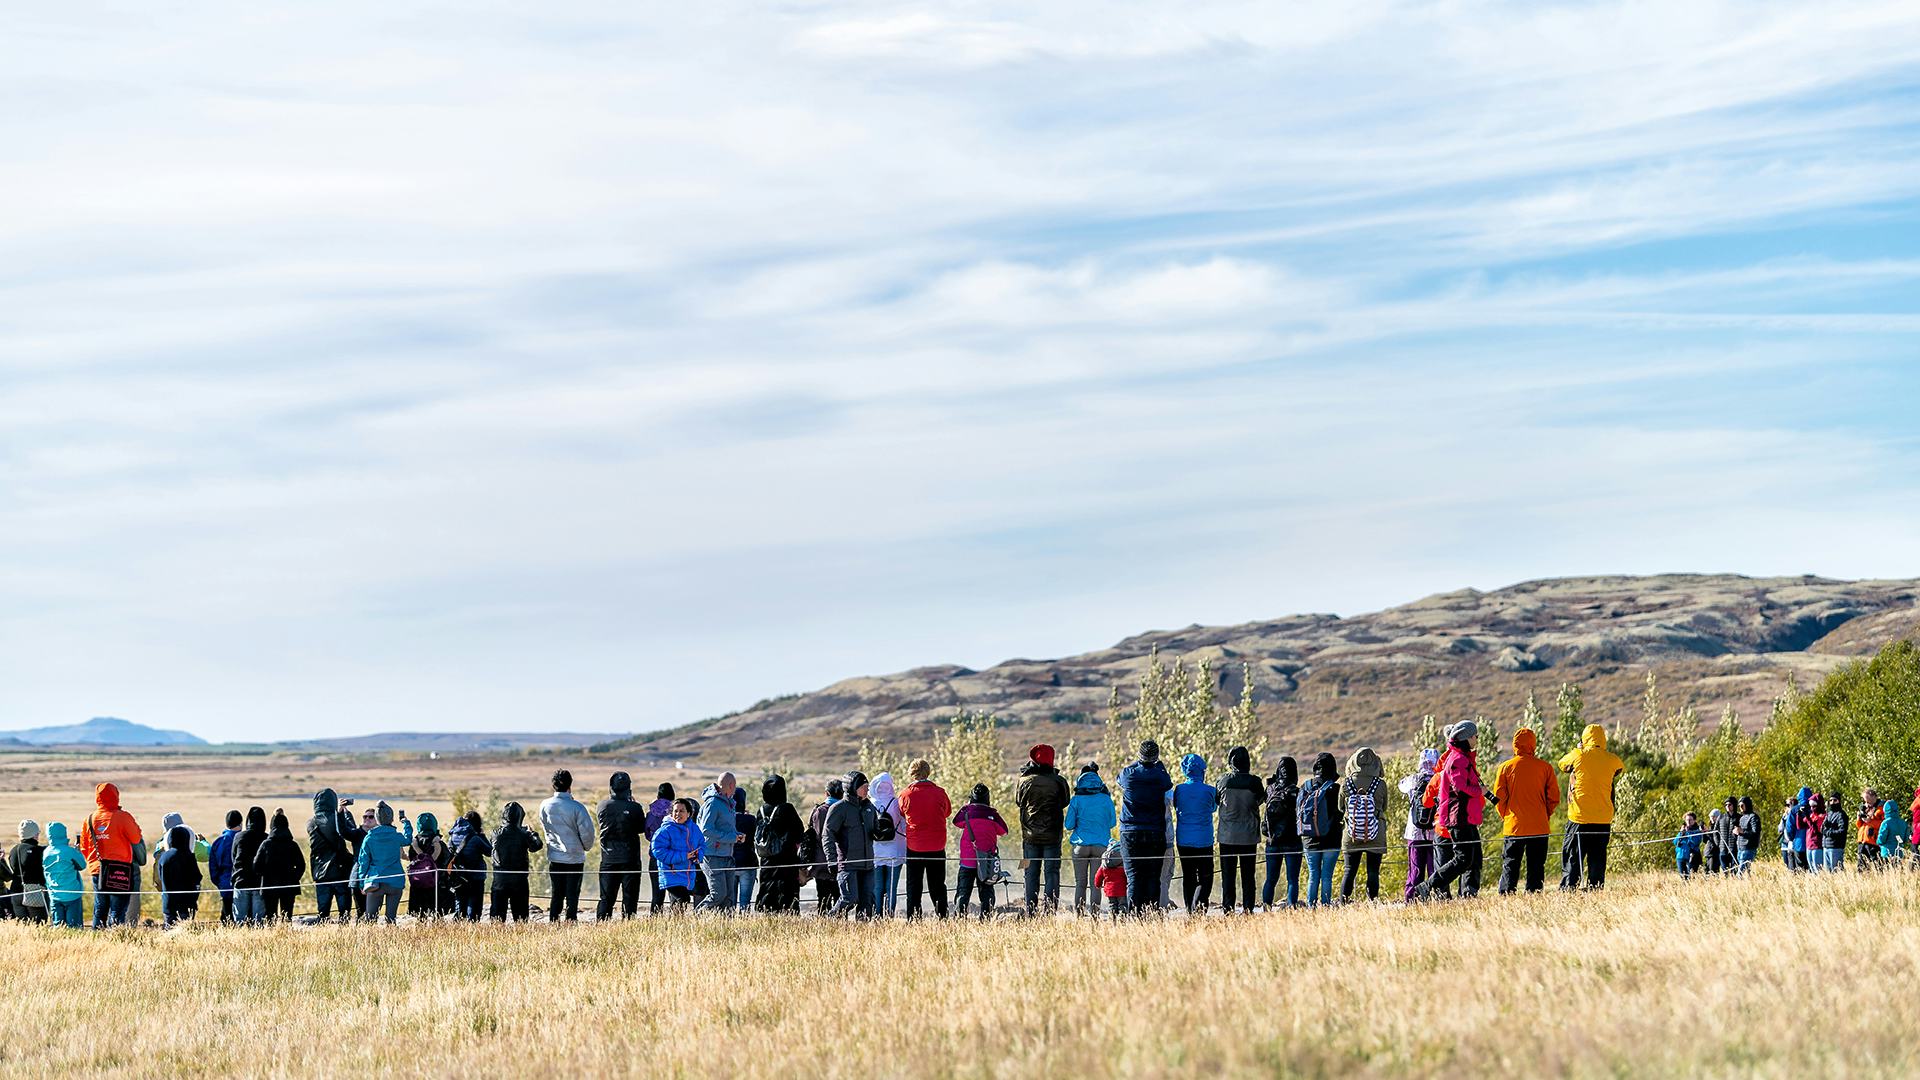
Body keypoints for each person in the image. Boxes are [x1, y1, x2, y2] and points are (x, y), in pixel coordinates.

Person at [1420, 722, 1486, 900]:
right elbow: (1460, 787)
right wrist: (1481, 791)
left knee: (1473, 858)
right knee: (1463, 859)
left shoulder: (1462, 758)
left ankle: (1466, 895)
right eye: (1475, 736)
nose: (1477, 739)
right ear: (1467, 738)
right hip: (1459, 816)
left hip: (1464, 816)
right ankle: (1427, 887)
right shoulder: (1458, 760)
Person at [1557, 724, 1625, 890]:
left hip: (1579, 818)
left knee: (1573, 857)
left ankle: (1569, 889)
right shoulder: (1612, 759)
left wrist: (1578, 748)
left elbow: (1562, 764)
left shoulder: (1578, 755)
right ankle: (1596, 890)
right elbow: (1620, 768)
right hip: (1603, 820)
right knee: (1597, 859)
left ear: (1585, 738)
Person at [1493, 728, 1560, 894]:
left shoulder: (1505, 768)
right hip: (1538, 826)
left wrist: (1506, 816)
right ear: (1533, 744)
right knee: (1536, 866)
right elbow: (1554, 797)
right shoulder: (1545, 767)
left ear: (1515, 745)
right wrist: (1544, 815)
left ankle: (1506, 896)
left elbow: (1499, 798)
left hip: (1514, 827)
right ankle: (1534, 895)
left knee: (1510, 864)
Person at [1012, 744, 1071, 917]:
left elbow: (1018, 801)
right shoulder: (1059, 781)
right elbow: (1065, 801)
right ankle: (1050, 911)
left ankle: (1030, 910)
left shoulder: (1024, 781)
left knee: (1030, 872)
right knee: (1052, 872)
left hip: (1029, 837)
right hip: (1053, 836)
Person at [1116, 740, 1173, 916]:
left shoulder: (1128, 773)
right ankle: (1152, 914)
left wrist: (1138, 762)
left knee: (1133, 877)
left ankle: (1135, 914)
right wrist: (1159, 765)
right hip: (1155, 831)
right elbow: (1167, 782)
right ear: (1156, 756)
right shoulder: (1160, 775)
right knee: (1153, 877)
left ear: (1139, 755)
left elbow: (1119, 779)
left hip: (1131, 831)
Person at [79, 783, 145, 928]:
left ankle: (97, 939)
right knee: (117, 908)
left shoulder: (89, 819)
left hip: (98, 870)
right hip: (119, 870)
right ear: (116, 796)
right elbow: (136, 838)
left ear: (97, 797)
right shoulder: (123, 817)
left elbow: (84, 848)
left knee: (100, 908)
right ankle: (114, 938)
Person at [537, 770, 594, 922]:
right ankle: (570, 921)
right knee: (572, 895)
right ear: (570, 784)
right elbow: (587, 834)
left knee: (556, 894)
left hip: (555, 857)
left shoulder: (544, 805)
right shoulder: (577, 807)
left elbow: (545, 828)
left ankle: (553, 921)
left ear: (553, 785)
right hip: (574, 858)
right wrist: (585, 847)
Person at [899, 760, 952, 920]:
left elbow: (902, 813)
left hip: (915, 846)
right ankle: (942, 916)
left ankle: (914, 918)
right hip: (937, 845)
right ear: (928, 772)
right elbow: (947, 812)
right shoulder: (940, 792)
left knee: (914, 885)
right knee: (937, 885)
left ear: (911, 773)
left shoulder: (905, 794)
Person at [1065, 763, 1118, 916]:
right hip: (1101, 845)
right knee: (1096, 885)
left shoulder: (1076, 800)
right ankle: (1095, 916)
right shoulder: (1105, 799)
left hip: (1080, 847)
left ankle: (1079, 917)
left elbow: (1068, 825)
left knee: (1080, 884)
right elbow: (1112, 823)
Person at [1171, 752, 1220, 915]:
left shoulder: (1179, 790)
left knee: (1188, 876)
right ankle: (1200, 907)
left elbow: (1176, 806)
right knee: (1206, 877)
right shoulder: (1210, 791)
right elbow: (1213, 808)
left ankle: (1190, 910)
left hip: (1184, 840)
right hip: (1204, 840)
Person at [827, 771, 880, 918]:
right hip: (848, 863)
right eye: (864, 786)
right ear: (853, 788)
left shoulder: (869, 807)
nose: (867, 789)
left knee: (867, 902)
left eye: (868, 786)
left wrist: (882, 832)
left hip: (868, 864)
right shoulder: (839, 808)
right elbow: (828, 834)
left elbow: (876, 830)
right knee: (849, 898)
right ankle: (829, 920)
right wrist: (831, 860)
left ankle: (862, 935)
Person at [1215, 747, 1262, 916]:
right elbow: (1260, 800)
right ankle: (1248, 909)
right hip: (1249, 836)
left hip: (1227, 836)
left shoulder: (1223, 781)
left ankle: (1228, 909)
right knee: (1248, 875)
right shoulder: (1255, 782)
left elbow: (1217, 801)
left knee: (1228, 876)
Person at [306, 788, 364, 923]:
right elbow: (351, 831)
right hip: (340, 870)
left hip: (320, 873)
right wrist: (344, 813)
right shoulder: (336, 819)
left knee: (323, 912)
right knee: (344, 912)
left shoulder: (310, 823)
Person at [1339, 747, 1388, 903]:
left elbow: (1341, 808)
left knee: (1349, 870)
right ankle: (1372, 902)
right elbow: (1384, 807)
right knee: (1373, 871)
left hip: (1351, 832)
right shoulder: (1380, 784)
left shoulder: (1346, 783)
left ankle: (1343, 903)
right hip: (1375, 831)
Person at [596, 772, 646, 920]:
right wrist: (632, 805)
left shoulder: (602, 806)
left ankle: (602, 925)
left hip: (608, 858)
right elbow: (641, 829)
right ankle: (628, 925)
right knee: (630, 899)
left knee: (606, 898)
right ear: (629, 789)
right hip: (630, 858)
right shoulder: (635, 808)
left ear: (610, 787)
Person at [953, 784, 1006, 920]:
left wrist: (966, 807)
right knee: (987, 891)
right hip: (986, 862)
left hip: (967, 860)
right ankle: (986, 918)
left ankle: (960, 918)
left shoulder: (966, 812)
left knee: (963, 892)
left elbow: (956, 822)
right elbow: (1004, 831)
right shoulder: (992, 814)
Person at [347, 801, 406, 924]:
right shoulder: (396, 836)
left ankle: (371, 942)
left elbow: (363, 862)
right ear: (391, 818)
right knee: (391, 919)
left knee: (370, 920)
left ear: (377, 819)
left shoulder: (369, 837)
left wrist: (362, 883)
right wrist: (406, 823)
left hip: (375, 881)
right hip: (395, 881)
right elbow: (408, 839)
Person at [754, 774, 806, 913]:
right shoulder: (787, 809)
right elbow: (800, 832)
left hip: (766, 860)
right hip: (786, 860)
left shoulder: (761, 810)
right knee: (787, 896)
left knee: (768, 893)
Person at [1299, 752, 1343, 907]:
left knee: (1313, 875)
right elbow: (1341, 812)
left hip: (1309, 839)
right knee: (1326, 877)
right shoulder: (1336, 788)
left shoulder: (1306, 786)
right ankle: (1325, 906)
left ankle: (1311, 906)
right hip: (1332, 838)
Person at [488, 802, 540, 922]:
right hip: (519, 879)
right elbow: (537, 846)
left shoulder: (496, 834)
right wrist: (532, 833)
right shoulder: (523, 834)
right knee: (521, 917)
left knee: (497, 916)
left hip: (500, 879)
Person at [1399, 749, 1440, 902]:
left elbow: (1400, 786)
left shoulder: (1412, 780)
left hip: (1414, 831)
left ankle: (1412, 899)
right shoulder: (1439, 778)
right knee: (1434, 868)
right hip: (1434, 830)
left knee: (1415, 868)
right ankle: (1437, 897)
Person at [697, 773, 741, 913]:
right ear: (730, 785)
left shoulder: (727, 803)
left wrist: (736, 836)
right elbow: (706, 830)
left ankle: (725, 926)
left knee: (728, 897)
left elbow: (724, 827)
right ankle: (696, 916)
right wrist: (731, 838)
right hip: (712, 855)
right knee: (718, 894)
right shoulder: (713, 803)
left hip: (726, 854)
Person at [1262, 756, 1303, 909]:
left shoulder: (1270, 789)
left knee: (1271, 879)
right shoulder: (1297, 792)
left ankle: (1266, 907)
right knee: (1292, 879)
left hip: (1273, 841)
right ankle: (1292, 908)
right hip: (1293, 841)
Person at [650, 797, 705, 910]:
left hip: (688, 872)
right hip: (671, 873)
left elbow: (702, 844)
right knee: (683, 899)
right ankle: (675, 925)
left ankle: (688, 922)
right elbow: (658, 851)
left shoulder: (694, 828)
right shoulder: (665, 830)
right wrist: (684, 856)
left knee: (702, 890)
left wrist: (697, 856)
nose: (678, 814)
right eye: (675, 811)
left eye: (681, 811)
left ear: (689, 814)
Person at [257, 809, 307, 921]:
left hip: (269, 885)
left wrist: (265, 876)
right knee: (287, 917)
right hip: (288, 885)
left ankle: (271, 936)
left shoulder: (266, 844)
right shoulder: (292, 845)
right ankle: (285, 934)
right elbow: (301, 865)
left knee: (270, 917)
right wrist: (294, 878)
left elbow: (256, 865)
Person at [868, 773, 905, 916]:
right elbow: (903, 825)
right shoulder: (896, 803)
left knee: (877, 887)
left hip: (875, 851)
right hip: (895, 851)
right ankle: (889, 915)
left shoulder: (870, 804)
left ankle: (877, 915)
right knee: (891, 887)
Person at [447, 810, 493, 921]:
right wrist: (482, 835)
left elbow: (450, 853)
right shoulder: (476, 838)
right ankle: (472, 926)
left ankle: (458, 927)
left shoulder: (452, 836)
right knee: (474, 907)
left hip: (459, 876)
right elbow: (490, 852)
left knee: (460, 903)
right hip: (476, 876)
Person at [155, 822, 203, 926]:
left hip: (168, 904)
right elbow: (197, 877)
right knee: (185, 933)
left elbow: (160, 877)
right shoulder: (188, 856)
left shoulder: (164, 857)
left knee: (169, 932)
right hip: (186, 904)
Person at [806, 780, 843, 913]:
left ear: (826, 793)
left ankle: (824, 925)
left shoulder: (819, 811)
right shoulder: (844, 809)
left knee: (823, 899)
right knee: (839, 898)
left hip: (821, 861)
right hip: (840, 859)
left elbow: (816, 834)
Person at [405, 811, 452, 916]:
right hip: (437, 884)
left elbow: (412, 860)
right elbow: (447, 861)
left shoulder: (414, 844)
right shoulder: (438, 843)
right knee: (438, 917)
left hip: (418, 885)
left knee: (421, 917)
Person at [41, 823, 87, 929]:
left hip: (54, 894)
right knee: (75, 928)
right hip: (72, 894)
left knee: (58, 927)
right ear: (64, 834)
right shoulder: (70, 851)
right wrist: (78, 852)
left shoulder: (46, 852)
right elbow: (82, 865)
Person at [228, 807, 269, 925]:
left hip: (241, 881)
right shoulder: (266, 838)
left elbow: (233, 858)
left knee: (240, 922)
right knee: (259, 923)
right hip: (259, 884)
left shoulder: (239, 837)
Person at [643, 782, 675, 914]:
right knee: (675, 891)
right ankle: (677, 918)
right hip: (673, 856)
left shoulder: (651, 813)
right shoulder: (676, 811)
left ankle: (655, 918)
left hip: (655, 856)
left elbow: (647, 834)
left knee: (657, 892)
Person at [208, 810, 241, 923]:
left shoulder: (218, 842)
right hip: (244, 886)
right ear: (241, 823)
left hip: (225, 885)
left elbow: (213, 868)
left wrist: (221, 883)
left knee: (227, 919)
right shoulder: (244, 839)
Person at [9, 821, 46, 922]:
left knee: (23, 925)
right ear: (34, 834)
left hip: (15, 892)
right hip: (34, 892)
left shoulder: (13, 850)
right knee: (39, 924)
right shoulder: (40, 851)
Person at [732, 788, 761, 911]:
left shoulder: (726, 819)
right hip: (748, 863)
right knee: (745, 904)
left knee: (730, 903)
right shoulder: (751, 819)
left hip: (731, 863)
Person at [1094, 839, 1129, 920]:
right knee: (1122, 905)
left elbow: (1098, 876)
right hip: (1122, 890)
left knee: (1112, 905)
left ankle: (1113, 921)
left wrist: (1097, 884)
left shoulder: (1105, 863)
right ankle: (1122, 921)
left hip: (1110, 891)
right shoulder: (1124, 862)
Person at [1820, 791, 1849, 872]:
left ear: (1839, 801)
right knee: (1828, 872)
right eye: (1831, 800)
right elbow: (1822, 828)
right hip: (1826, 846)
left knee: (1837, 871)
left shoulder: (1841, 815)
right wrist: (1824, 828)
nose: (1832, 802)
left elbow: (1842, 831)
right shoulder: (1829, 814)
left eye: (1835, 800)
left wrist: (1829, 832)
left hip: (1836, 847)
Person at [1856, 790, 1884, 872]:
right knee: (1861, 867)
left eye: (1868, 800)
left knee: (1878, 866)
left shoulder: (1881, 808)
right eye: (1865, 800)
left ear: (1874, 797)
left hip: (1874, 842)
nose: (1866, 802)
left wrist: (1870, 821)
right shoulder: (1865, 808)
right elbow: (1860, 826)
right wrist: (1859, 819)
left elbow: (1884, 825)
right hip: (1862, 841)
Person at [1673, 812, 1706, 878]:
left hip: (1692, 857)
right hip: (1681, 856)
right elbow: (1675, 842)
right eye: (1687, 820)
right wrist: (1681, 833)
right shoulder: (1683, 830)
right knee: (1683, 877)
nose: (1688, 821)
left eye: (1690, 820)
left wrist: (1688, 833)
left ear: (1694, 820)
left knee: (1691, 877)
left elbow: (1695, 842)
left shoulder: (1697, 831)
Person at [1735, 795, 1761, 872]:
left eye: (1742, 805)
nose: (1740, 807)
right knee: (1746, 872)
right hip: (1740, 847)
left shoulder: (1754, 817)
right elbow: (1741, 832)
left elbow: (1755, 832)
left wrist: (1742, 832)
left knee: (1741, 873)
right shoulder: (1742, 817)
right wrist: (1736, 832)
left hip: (1749, 848)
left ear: (1747, 805)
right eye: (1739, 806)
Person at [1877, 799, 1906, 863]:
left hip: (1886, 852)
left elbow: (1881, 838)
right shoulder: (1903, 822)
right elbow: (1905, 838)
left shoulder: (1885, 823)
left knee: (1887, 870)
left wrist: (1878, 842)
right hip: (1899, 852)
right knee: (1897, 871)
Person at [1715, 797, 1739, 873]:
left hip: (1734, 848)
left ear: (1734, 805)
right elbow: (1715, 832)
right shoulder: (1721, 817)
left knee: (1734, 870)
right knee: (1724, 870)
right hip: (1723, 848)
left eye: (1729, 804)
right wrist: (1718, 843)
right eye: (1726, 805)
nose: (1727, 806)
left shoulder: (1739, 817)